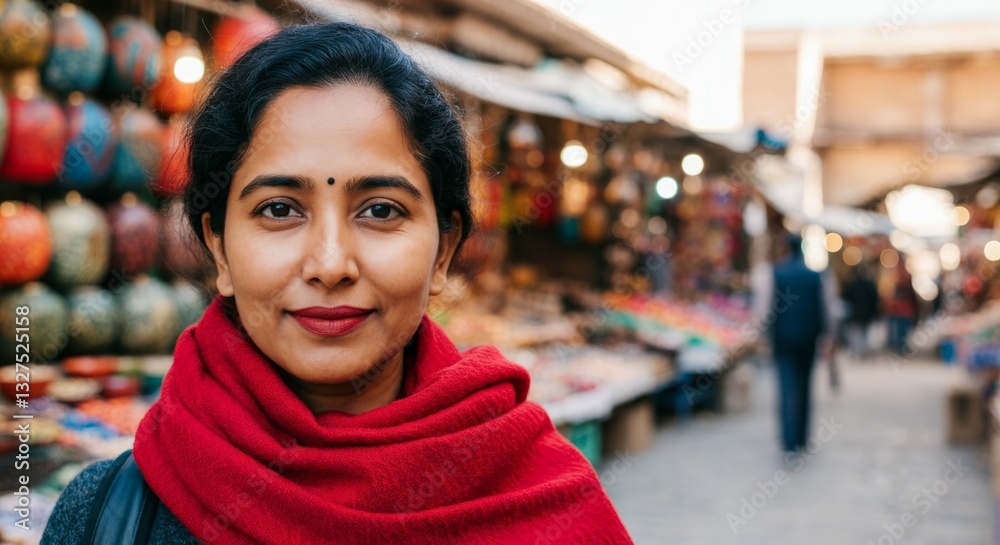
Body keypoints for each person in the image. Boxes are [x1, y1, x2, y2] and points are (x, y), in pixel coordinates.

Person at [41, 23, 633, 545]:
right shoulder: (109, 516)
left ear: (444, 251)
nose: (330, 264)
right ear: (219, 247)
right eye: (279, 209)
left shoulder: (547, 504)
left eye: (379, 210)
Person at [755, 233, 833, 454]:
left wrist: (762, 335)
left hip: (782, 340)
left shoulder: (775, 273)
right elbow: (828, 308)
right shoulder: (816, 275)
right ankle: (802, 438)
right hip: (809, 339)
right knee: (805, 388)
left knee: (786, 387)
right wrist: (828, 336)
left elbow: (765, 308)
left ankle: (788, 439)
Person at [841, 264, 880, 359]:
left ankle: (858, 352)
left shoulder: (851, 285)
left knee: (856, 333)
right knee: (865, 332)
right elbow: (874, 299)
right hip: (866, 313)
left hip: (855, 312)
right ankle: (864, 351)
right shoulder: (869, 284)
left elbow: (845, 298)